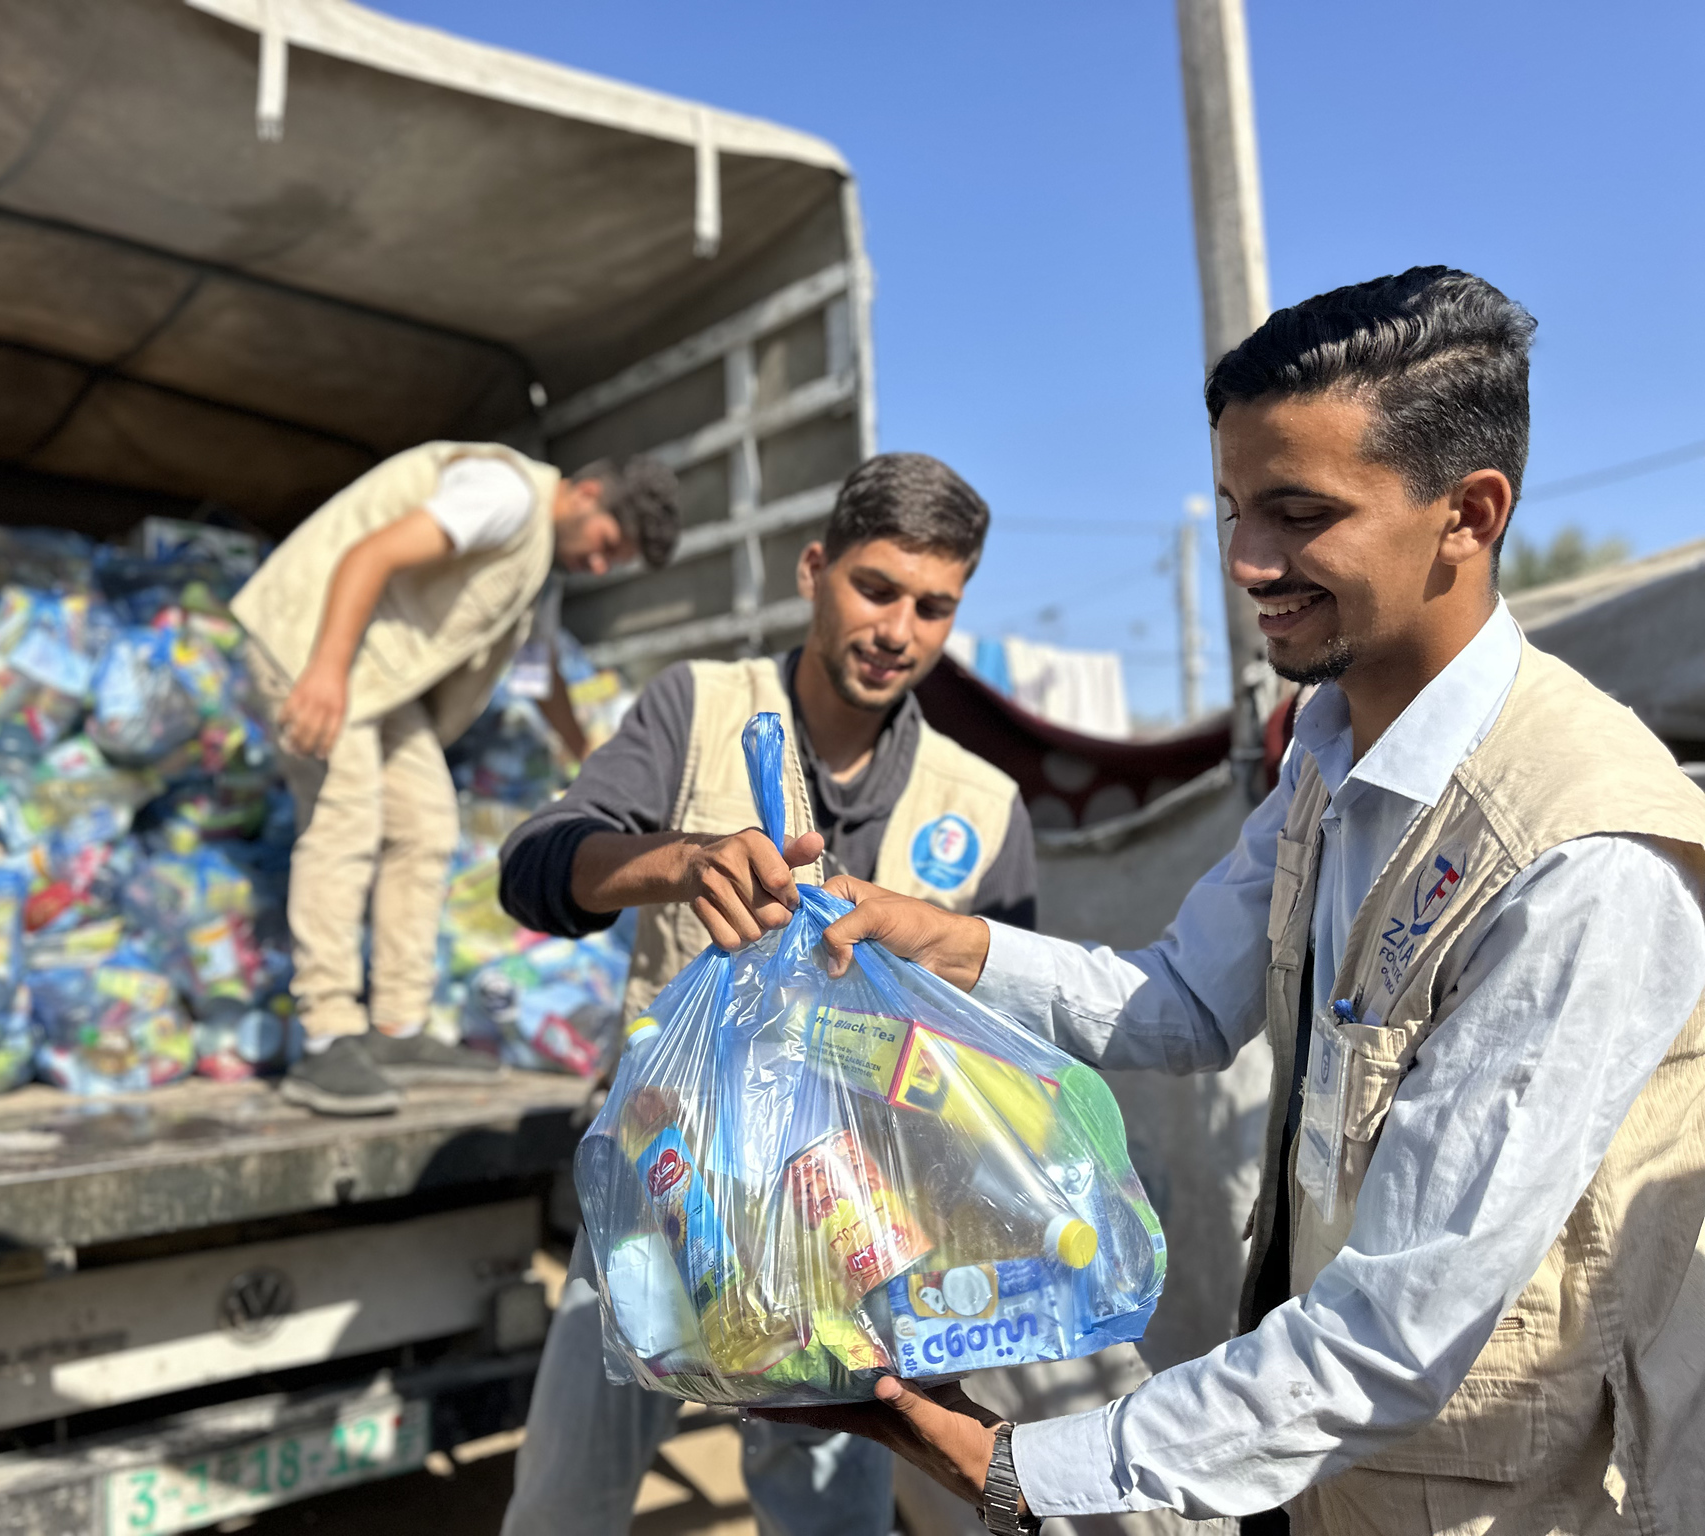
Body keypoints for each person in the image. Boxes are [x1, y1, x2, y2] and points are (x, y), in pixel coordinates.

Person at [761, 268, 1705, 1536]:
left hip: (1501, 1501)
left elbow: (1393, 1334)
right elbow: (1186, 1002)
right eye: (1230, 509)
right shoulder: (1330, 748)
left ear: (1466, 515)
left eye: (1299, 513)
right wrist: (941, 939)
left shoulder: (1577, 857)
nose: (1247, 562)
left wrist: (1014, 1468)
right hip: (1325, 1474)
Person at [496, 452, 1040, 1536]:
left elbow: (1004, 1051)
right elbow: (538, 865)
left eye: (933, 607)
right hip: (659, 1205)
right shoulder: (697, 708)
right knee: (561, 1505)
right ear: (813, 569)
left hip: (854, 1244)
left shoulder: (980, 808)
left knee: (828, 1521)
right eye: (875, 588)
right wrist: (680, 862)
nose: (898, 630)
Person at [233, 442, 680, 1115]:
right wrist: (322, 671)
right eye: (604, 546)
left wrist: (589, 754)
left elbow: (540, 675)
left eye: (610, 564)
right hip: (312, 645)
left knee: (427, 822)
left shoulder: (538, 573)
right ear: (586, 495)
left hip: (373, 678)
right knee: (345, 815)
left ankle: (397, 1027)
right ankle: (325, 1036)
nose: (596, 565)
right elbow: (371, 555)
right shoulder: (505, 497)